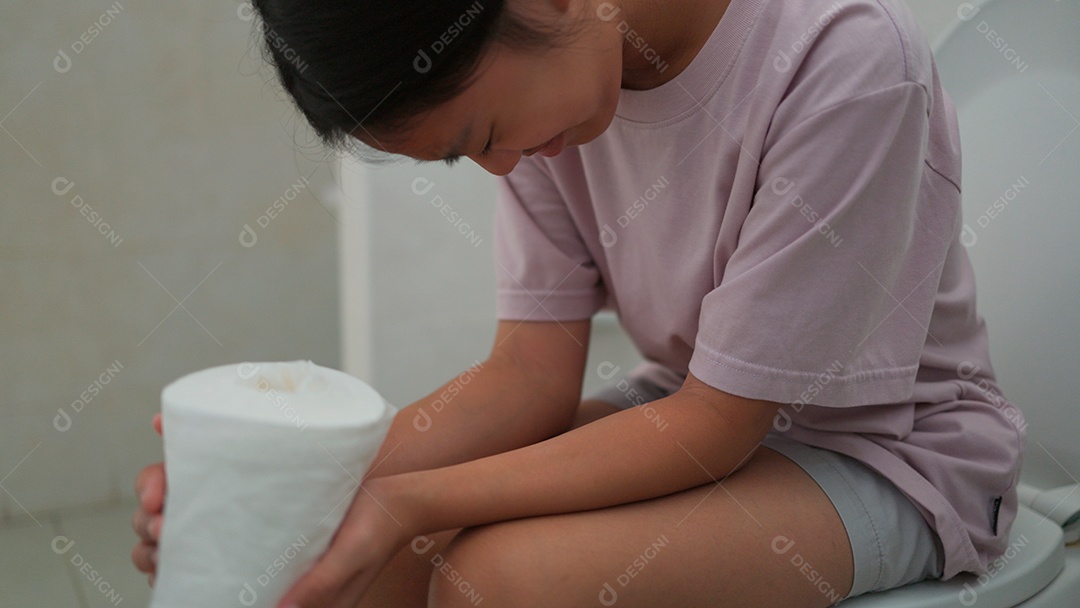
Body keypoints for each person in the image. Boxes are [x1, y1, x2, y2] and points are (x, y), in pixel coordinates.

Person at [132, 0, 1026, 606]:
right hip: (688, 404)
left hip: (894, 454)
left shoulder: (845, 61)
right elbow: (525, 377)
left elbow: (719, 425)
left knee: (500, 581)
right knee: (344, 560)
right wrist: (269, 492)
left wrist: (409, 502)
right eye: (464, 157)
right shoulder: (558, 111)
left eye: (478, 136)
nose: (497, 168)